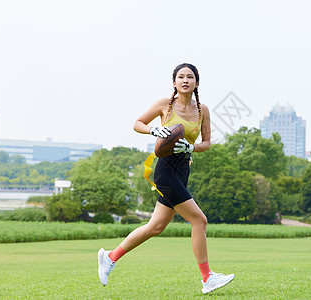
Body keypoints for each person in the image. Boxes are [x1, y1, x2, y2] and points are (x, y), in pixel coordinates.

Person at [97, 63, 235, 294]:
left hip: (183, 170)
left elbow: (207, 143)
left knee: (156, 226)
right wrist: (153, 130)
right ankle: (207, 277)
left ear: (196, 83)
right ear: (174, 83)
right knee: (199, 220)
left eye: (190, 77)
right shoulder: (165, 104)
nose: (185, 80)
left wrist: (191, 147)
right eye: (180, 76)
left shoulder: (203, 110)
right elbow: (137, 123)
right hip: (164, 170)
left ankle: (110, 258)